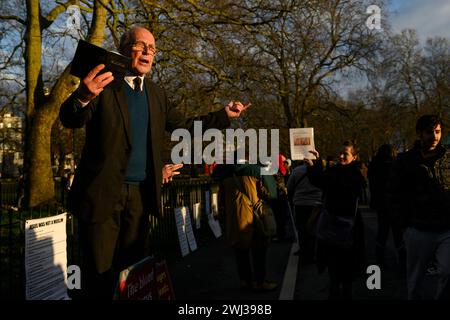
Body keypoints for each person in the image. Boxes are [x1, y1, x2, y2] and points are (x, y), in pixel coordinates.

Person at [59, 26, 250, 299]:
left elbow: (184, 126)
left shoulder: (157, 94)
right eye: (141, 45)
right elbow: (70, 118)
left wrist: (223, 116)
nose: (149, 52)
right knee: (99, 277)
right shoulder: (103, 83)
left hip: (140, 197)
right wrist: (83, 96)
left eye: (153, 48)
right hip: (102, 196)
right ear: (124, 49)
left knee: (133, 275)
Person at [388, 115, 450, 300]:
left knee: (448, 272)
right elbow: (393, 193)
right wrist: (402, 226)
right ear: (420, 134)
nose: (434, 136)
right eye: (430, 132)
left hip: (446, 228)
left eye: (438, 131)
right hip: (418, 228)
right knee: (415, 281)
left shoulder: (448, 158)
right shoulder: (405, 161)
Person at [309, 141, 367, 299]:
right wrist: (314, 164)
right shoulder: (334, 170)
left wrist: (319, 169)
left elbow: (336, 186)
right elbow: (320, 182)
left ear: (354, 157)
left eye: (345, 154)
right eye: (340, 153)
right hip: (332, 227)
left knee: (347, 273)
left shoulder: (357, 173)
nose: (341, 156)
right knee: (333, 273)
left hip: (349, 228)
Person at [214, 159, 278, 292]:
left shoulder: (225, 173)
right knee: (259, 250)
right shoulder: (256, 170)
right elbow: (270, 193)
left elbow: (221, 198)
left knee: (240, 251)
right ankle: (260, 282)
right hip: (255, 217)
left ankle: (245, 281)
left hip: (235, 217)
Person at [368, 144, 405, 270]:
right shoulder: (395, 165)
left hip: (381, 204)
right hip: (394, 204)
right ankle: (402, 259)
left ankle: (380, 259)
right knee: (397, 234)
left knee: (382, 231)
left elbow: (372, 184)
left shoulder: (374, 165)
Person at [287, 160, 322, 263]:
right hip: (316, 203)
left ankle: (303, 250)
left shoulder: (296, 170)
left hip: (300, 203)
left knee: (301, 228)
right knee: (314, 228)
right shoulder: (319, 170)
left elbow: (289, 186)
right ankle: (313, 252)